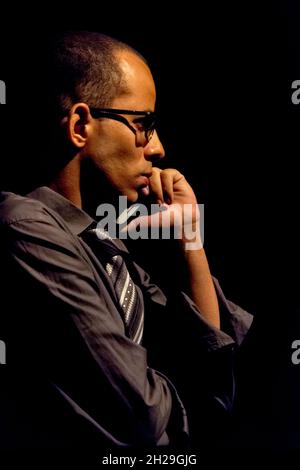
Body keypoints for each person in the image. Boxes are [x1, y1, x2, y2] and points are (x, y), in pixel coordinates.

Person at [0, 31, 252, 450]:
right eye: (144, 124)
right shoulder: (24, 230)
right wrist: (205, 401)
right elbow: (146, 420)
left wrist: (190, 238)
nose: (158, 148)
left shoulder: (106, 247)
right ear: (81, 125)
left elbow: (228, 367)